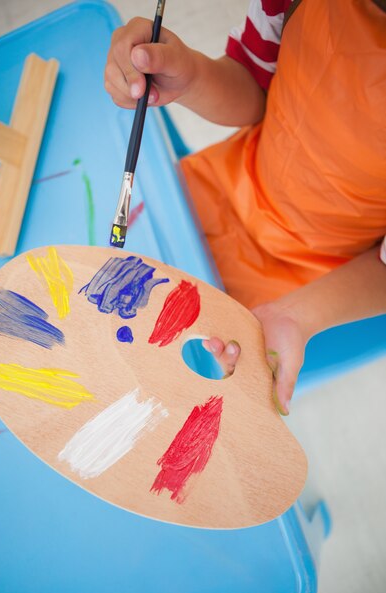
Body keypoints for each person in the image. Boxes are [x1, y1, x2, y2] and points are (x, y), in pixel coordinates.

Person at [105, 0, 386, 415]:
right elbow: (252, 89)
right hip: (224, 184)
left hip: (310, 277)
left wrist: (294, 316)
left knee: (156, 394)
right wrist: (192, 75)